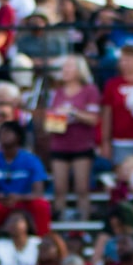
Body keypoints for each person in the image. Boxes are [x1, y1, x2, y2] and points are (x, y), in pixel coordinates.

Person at [0, 122, 51, 237]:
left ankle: (42, 239)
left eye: (7, 132)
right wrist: (0, 197)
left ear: (18, 136)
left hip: (24, 204)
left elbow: (38, 193)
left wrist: (18, 197)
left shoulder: (32, 160)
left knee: (41, 205)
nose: (3, 136)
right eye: (1, 133)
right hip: (0, 205)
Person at [46, 55, 100, 220]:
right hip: (60, 145)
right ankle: (60, 222)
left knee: (82, 188)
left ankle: (83, 224)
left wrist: (74, 113)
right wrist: (58, 118)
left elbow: (93, 119)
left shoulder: (89, 90)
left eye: (69, 67)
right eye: (64, 67)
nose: (65, 71)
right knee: (59, 188)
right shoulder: (57, 93)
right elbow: (51, 125)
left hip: (81, 146)